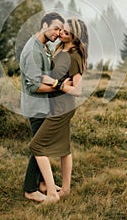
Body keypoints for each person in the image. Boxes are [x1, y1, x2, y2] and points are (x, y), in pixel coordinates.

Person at [29, 18, 89, 204]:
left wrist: (55, 83)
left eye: (66, 32)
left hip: (63, 108)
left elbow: (78, 90)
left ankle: (53, 195)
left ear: (75, 36)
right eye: (62, 29)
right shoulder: (59, 48)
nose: (62, 32)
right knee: (64, 148)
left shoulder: (74, 55)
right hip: (55, 104)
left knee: (36, 146)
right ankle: (65, 189)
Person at [19, 11, 65, 203]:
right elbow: (34, 86)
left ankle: (42, 184)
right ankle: (30, 189)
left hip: (44, 105)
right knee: (40, 147)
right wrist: (60, 87)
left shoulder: (44, 46)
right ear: (44, 25)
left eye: (61, 30)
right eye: (55, 28)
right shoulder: (32, 51)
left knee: (43, 145)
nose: (58, 33)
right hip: (36, 107)